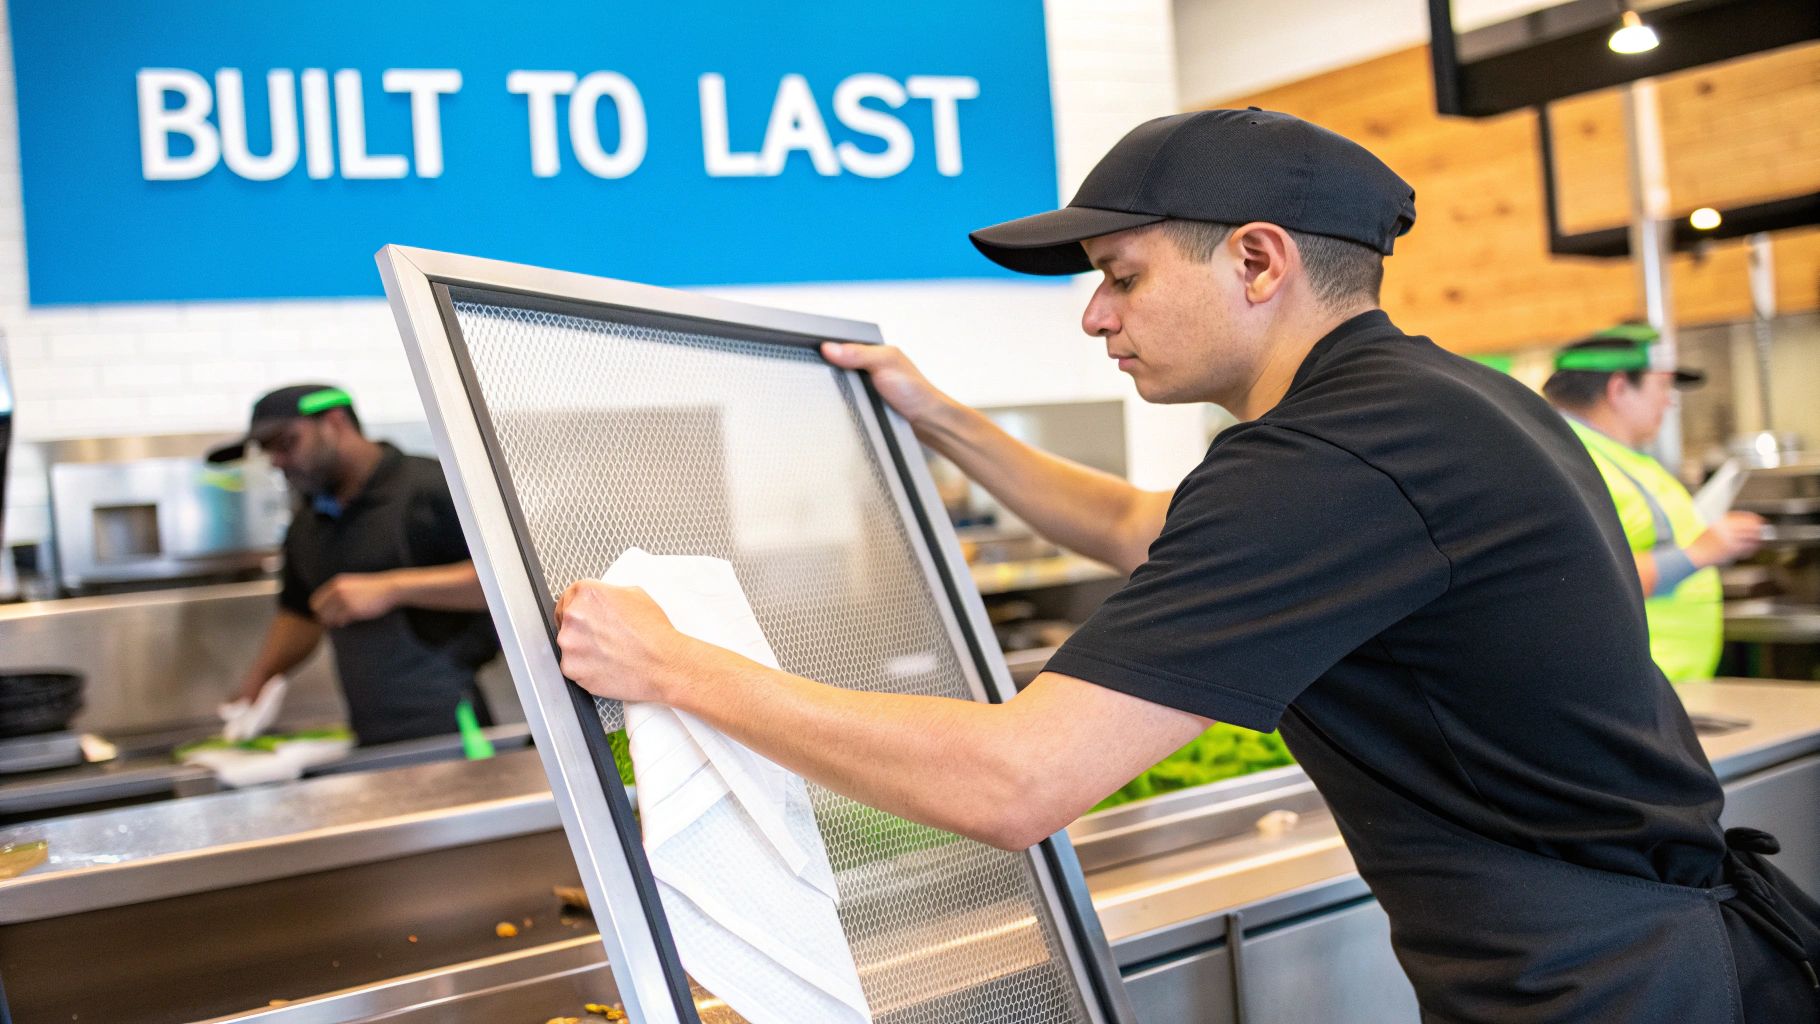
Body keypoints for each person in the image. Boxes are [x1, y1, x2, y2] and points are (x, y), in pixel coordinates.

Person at [552, 110, 1820, 1020]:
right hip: (1655, 951)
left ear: (1257, 259)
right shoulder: (1441, 400)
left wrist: (674, 665)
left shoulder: (1327, 457)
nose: (1094, 315)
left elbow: (1017, 782)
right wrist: (938, 418)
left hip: (1606, 988)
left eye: (1118, 276)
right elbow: (1135, 526)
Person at [210, 384, 499, 746]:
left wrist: (391, 589)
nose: (277, 461)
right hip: (371, 730)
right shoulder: (308, 523)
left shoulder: (432, 488)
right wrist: (258, 681)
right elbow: (300, 615)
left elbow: (504, 585)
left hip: (458, 725)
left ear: (335, 422)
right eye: (268, 451)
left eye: (285, 443)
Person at [1545, 326, 1765, 682]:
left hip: (1672, 684)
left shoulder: (1624, 457)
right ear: (1618, 389)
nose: (1670, 400)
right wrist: (1704, 551)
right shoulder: (1574, 462)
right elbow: (1591, 580)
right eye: (1661, 385)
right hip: (1636, 689)